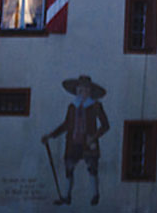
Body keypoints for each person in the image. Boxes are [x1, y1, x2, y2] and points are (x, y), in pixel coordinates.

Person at [43, 75, 111, 206]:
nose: (82, 92)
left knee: (92, 169)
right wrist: (51, 135)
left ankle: (95, 194)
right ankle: (66, 196)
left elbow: (105, 125)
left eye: (85, 89)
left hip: (89, 143)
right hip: (73, 142)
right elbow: (66, 124)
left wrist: (94, 137)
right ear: (76, 91)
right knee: (69, 169)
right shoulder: (72, 107)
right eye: (80, 90)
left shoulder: (96, 106)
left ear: (90, 91)